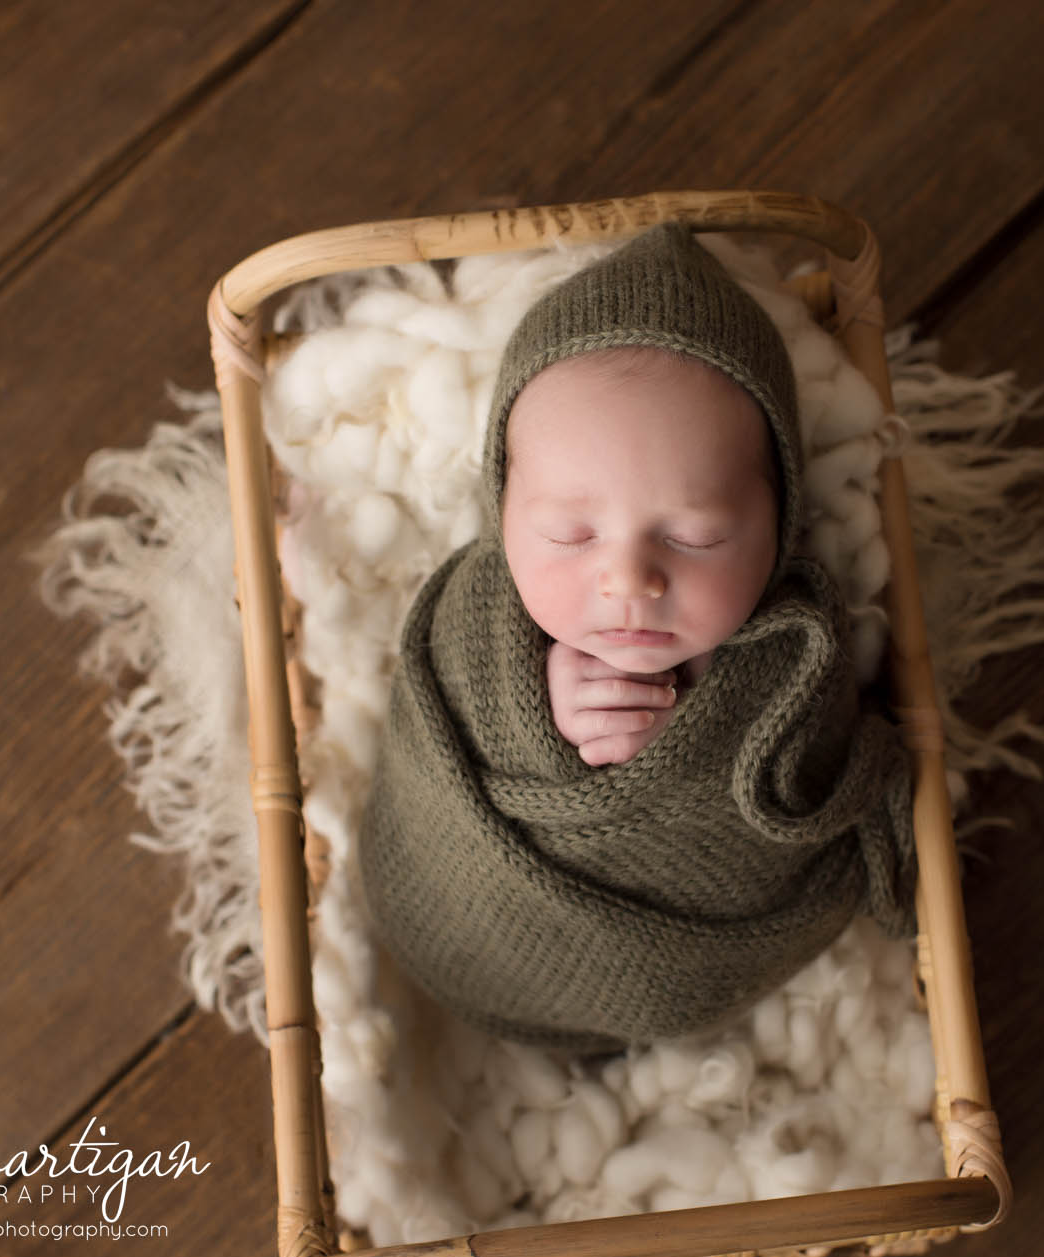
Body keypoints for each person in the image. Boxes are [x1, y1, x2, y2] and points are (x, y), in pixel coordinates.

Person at [360, 222, 916, 1054]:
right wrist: (535, 709)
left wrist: (697, 748)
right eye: (570, 535)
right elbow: (438, 711)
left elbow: (825, 777)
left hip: (695, 960)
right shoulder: (478, 616)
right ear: (503, 510)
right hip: (468, 918)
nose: (630, 580)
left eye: (693, 538)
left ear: (781, 522)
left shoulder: (795, 655)